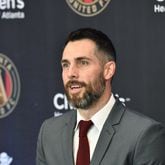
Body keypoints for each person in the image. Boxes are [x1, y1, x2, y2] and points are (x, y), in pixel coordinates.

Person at [36, 28, 165, 165]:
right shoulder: (49, 132)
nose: (71, 73)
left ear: (108, 70)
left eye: (83, 62)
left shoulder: (145, 135)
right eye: (66, 65)